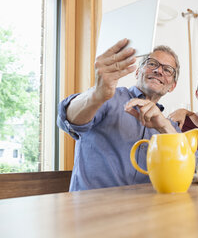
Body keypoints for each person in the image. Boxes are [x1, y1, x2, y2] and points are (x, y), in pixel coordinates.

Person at [57, 39, 182, 191]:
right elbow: (67, 119)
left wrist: (165, 127)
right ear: (137, 72)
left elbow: (197, 166)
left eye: (168, 70)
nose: (158, 71)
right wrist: (97, 95)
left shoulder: (170, 126)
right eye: (152, 64)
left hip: (145, 210)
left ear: (172, 86)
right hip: (90, 209)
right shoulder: (108, 98)